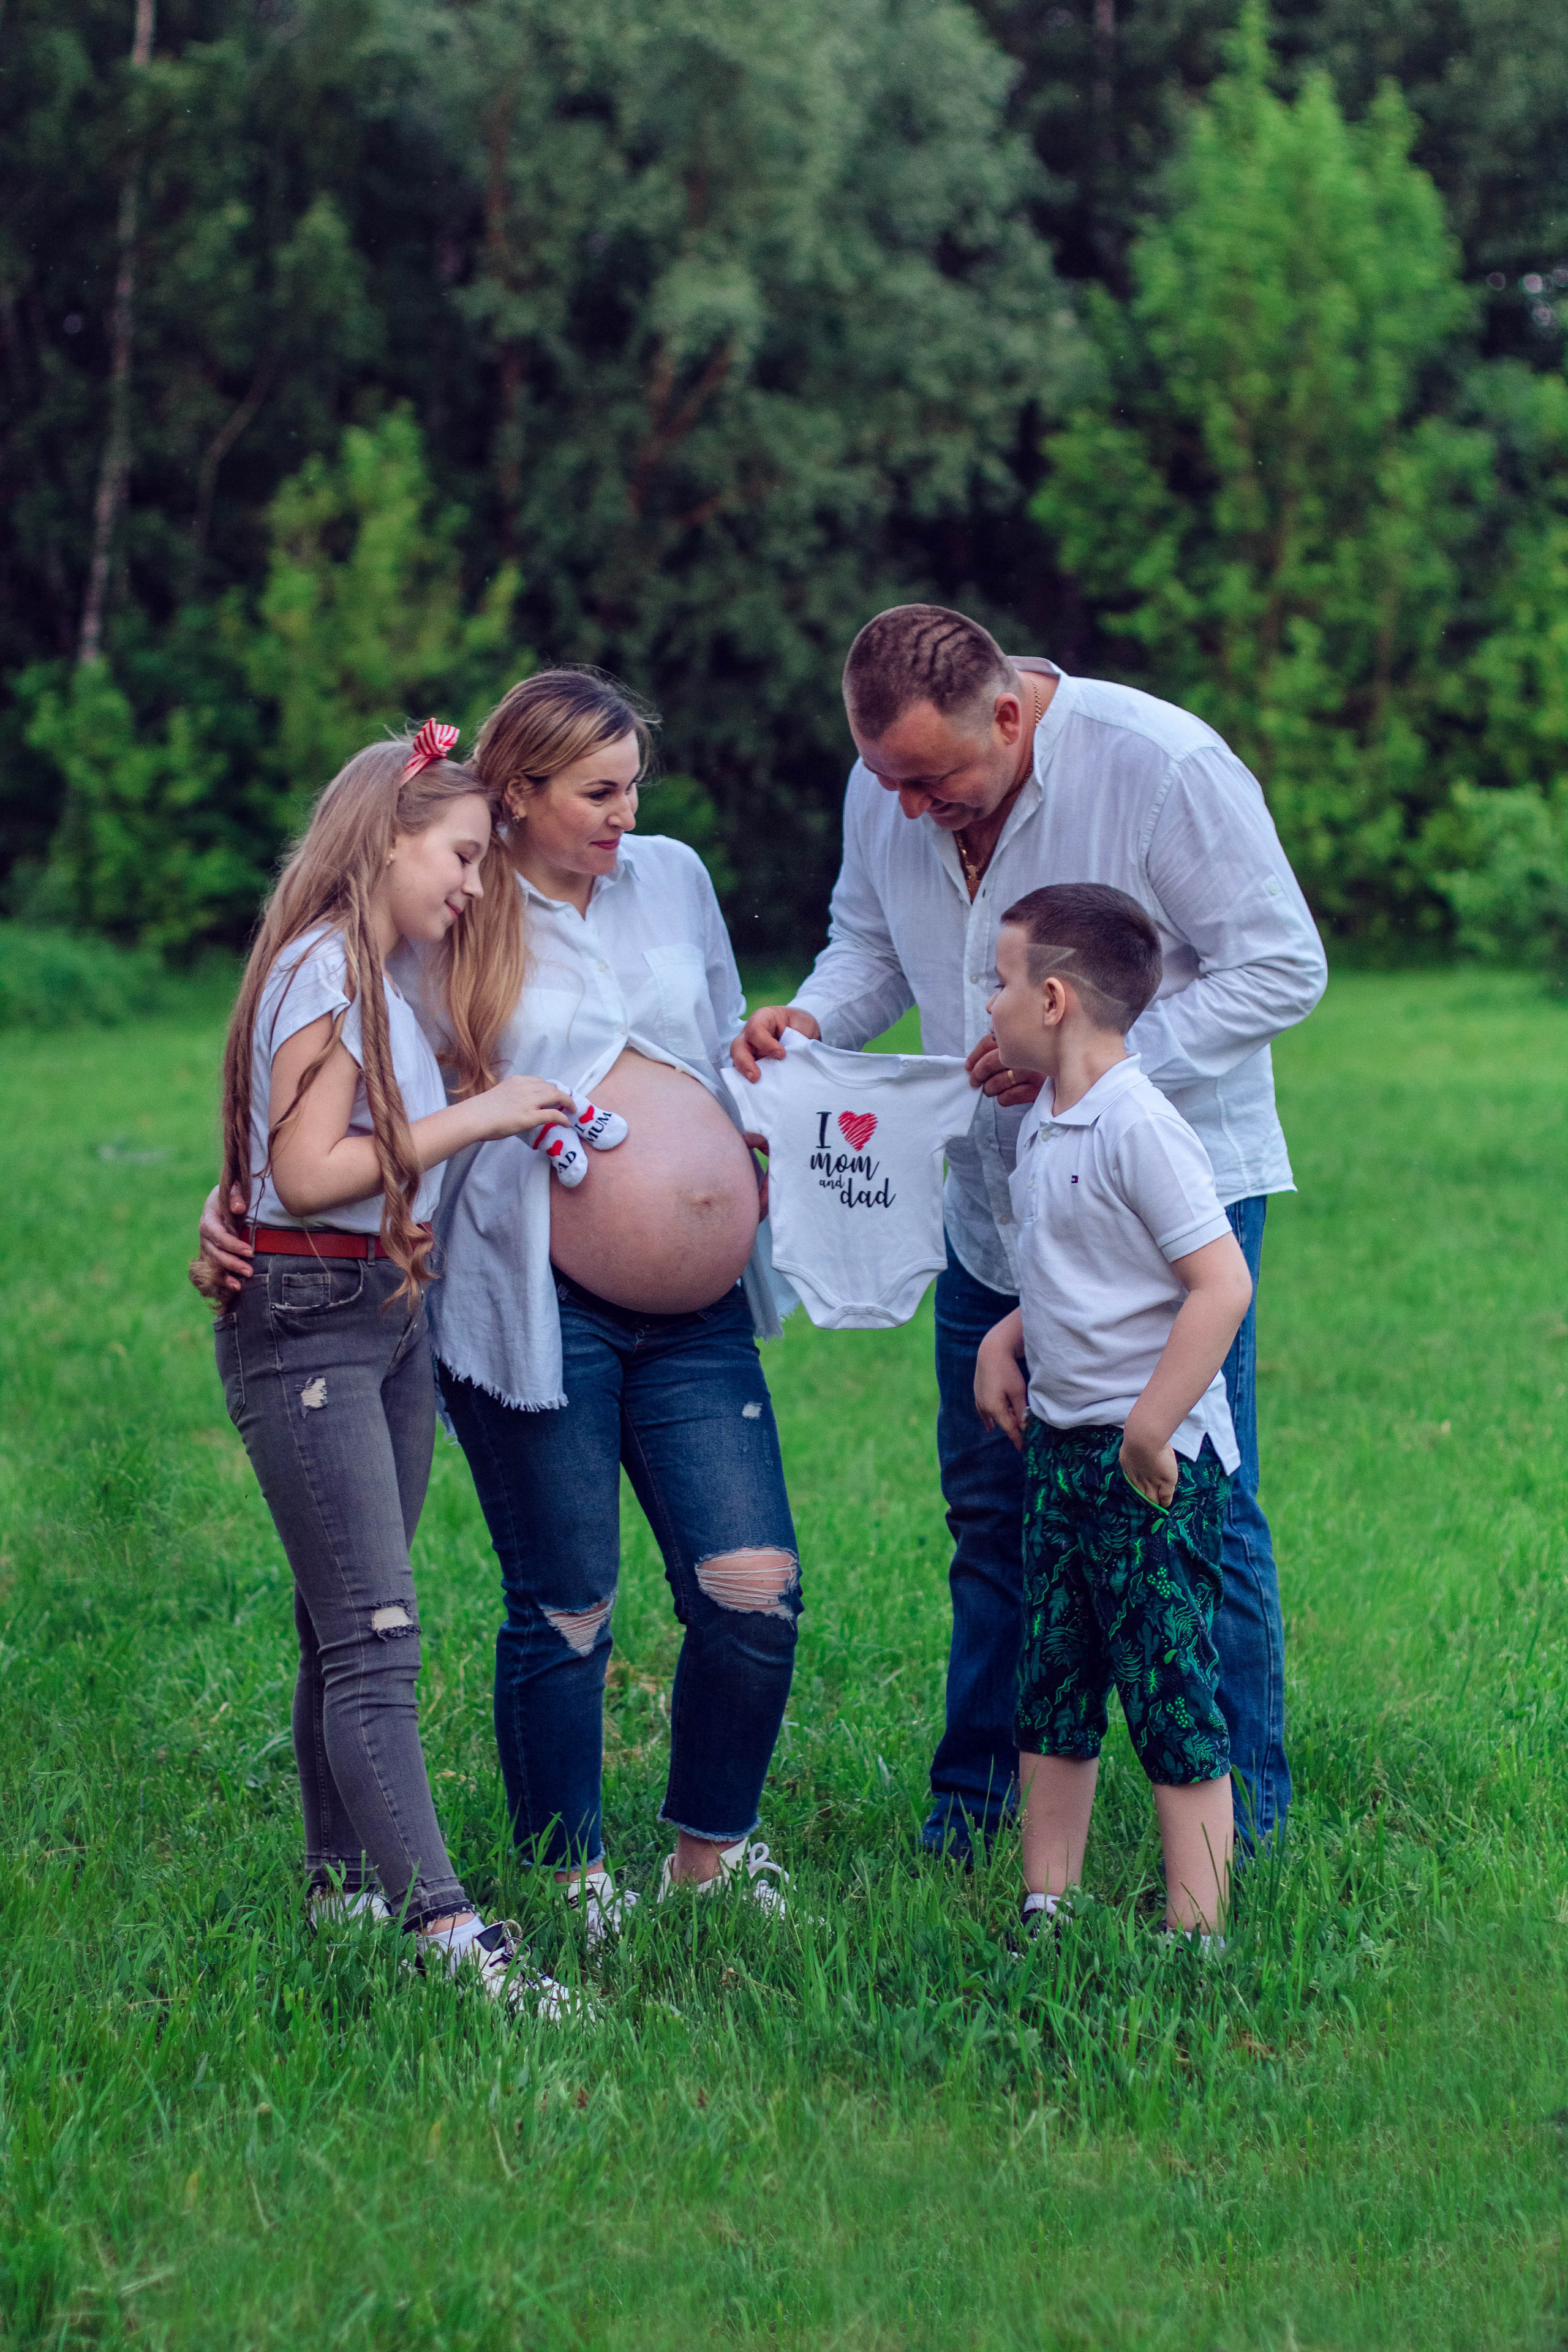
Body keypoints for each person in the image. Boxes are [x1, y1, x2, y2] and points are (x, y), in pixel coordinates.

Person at [199, 671, 804, 1945]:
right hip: (528, 1299)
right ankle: (571, 1875)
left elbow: (706, 1047)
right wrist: (236, 1193)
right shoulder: (453, 914)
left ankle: (711, 1853)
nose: (624, 816)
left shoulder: (675, 881)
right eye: (597, 791)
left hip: (697, 1310)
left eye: (636, 786)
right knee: (567, 1601)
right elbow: (337, 1064)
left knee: (752, 1587)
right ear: (514, 794)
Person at [733, 605, 1326, 1860]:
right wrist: (811, 1025)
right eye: (886, 780)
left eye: (931, 780)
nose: (905, 807)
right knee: (994, 1513)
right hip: (991, 1212)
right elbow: (867, 948)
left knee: (1190, 1508)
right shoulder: (886, 784)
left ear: (1008, 715)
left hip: (1166, 1206)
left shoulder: (1161, 767)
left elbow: (1279, 965)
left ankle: (1244, 1832)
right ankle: (977, 1817)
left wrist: (1089, 1060)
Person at [197, 722, 588, 2016]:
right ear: (387, 841)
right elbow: (309, 1176)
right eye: (461, 858)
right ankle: (445, 1926)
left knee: (341, 1621)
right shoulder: (327, 968)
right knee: (378, 1640)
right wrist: (484, 1111)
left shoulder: (367, 973)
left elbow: (278, 1163)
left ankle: (341, 1891)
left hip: (379, 1311)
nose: (473, 886)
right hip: (309, 1318)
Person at [972, 886, 1254, 1942]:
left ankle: (1198, 1930)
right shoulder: (1047, 1119)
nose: (986, 1004)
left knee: (1171, 1685)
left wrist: (1149, 1426)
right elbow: (1082, 1275)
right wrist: (1009, 1337)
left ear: (1051, 998)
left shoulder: (1140, 1124)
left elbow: (1220, 1283)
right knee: (1053, 1676)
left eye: (997, 984)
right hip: (1059, 1450)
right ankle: (1049, 1901)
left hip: (1151, 1468)